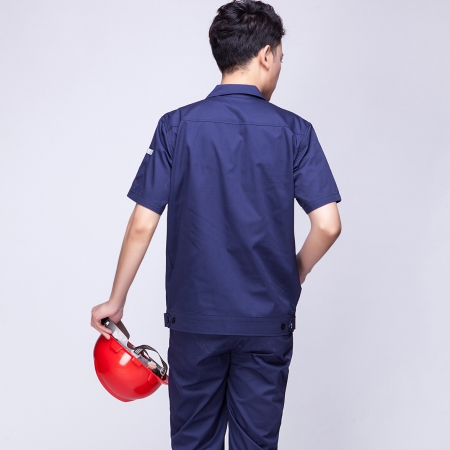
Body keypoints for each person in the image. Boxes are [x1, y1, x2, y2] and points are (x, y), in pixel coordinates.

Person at [91, 0, 342, 448]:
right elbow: (327, 225)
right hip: (266, 320)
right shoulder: (295, 131)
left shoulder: (176, 126)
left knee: (194, 442)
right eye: (281, 58)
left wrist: (116, 299)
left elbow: (142, 224)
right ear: (266, 55)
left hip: (196, 320)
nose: (279, 68)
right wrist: (295, 272)